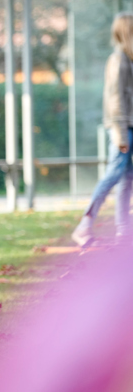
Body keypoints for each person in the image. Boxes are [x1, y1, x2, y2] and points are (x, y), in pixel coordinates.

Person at [72, 12, 133, 247]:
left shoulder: (128, 59)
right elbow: (115, 98)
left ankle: (123, 234)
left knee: (127, 179)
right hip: (122, 127)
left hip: (128, 125)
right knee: (114, 174)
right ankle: (85, 224)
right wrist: (119, 132)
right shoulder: (118, 60)